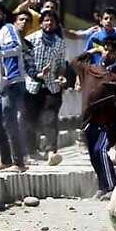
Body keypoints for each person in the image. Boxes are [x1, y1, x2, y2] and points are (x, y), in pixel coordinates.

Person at [0, 3, 43, 172]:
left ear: (4, 16)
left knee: (9, 122)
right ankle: (5, 160)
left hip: (12, 83)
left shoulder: (8, 29)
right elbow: (2, 61)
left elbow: (15, 48)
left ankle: (19, 163)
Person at [71, 37, 116, 200]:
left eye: (112, 51)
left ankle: (112, 187)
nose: (107, 53)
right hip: (90, 120)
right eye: (106, 49)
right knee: (94, 155)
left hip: (109, 122)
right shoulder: (91, 70)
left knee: (100, 150)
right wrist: (94, 50)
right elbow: (75, 62)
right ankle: (102, 186)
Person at [25, 10, 68, 166]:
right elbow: (25, 62)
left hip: (52, 86)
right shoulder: (30, 40)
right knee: (31, 120)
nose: (49, 23)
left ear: (56, 24)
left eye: (52, 21)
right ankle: (31, 151)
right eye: (46, 20)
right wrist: (36, 75)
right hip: (32, 86)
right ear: (41, 23)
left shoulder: (60, 43)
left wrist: (62, 76)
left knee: (50, 119)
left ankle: (51, 152)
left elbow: (61, 64)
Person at [84, 7, 116, 73]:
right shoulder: (94, 38)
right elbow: (86, 55)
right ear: (101, 21)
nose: (108, 21)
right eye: (106, 18)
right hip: (96, 72)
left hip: (115, 74)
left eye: (111, 19)